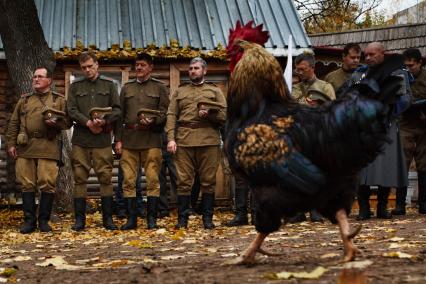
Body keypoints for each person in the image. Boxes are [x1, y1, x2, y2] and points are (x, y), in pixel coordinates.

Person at [6, 66, 68, 233]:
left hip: (48, 146)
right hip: (26, 147)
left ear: (49, 81)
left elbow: (68, 122)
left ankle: (44, 221)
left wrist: (55, 124)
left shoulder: (59, 100)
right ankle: (29, 222)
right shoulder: (24, 100)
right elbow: (13, 123)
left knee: (47, 184)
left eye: (40, 77)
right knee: (27, 185)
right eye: (34, 77)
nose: (36, 79)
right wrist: (11, 144)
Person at [166, 57, 226, 229]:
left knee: (208, 181)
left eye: (196, 68)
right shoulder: (180, 91)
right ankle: (182, 220)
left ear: (204, 71)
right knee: (183, 181)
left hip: (208, 140)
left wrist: (210, 114)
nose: (192, 71)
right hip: (184, 140)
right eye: (191, 68)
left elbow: (224, 116)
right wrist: (171, 138)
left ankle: (207, 219)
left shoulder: (214, 91)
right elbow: (171, 115)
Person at [353, 42, 411, 220]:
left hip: (386, 125)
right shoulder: (359, 74)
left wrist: (388, 109)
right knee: (362, 169)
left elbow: (406, 99)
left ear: (383, 54)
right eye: (366, 55)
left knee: (386, 167)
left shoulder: (398, 74)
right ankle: (363, 208)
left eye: (372, 54)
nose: (368, 58)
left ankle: (382, 207)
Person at [114, 52, 170, 230]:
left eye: (142, 65)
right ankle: (132, 220)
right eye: (137, 65)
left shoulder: (160, 87)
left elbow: (164, 114)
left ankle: (151, 219)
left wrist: (154, 122)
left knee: (153, 180)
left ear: (150, 68)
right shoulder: (127, 88)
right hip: (129, 140)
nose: (138, 68)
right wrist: (118, 140)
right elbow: (119, 116)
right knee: (128, 181)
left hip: (151, 139)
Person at [68, 51, 121, 231]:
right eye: (84, 68)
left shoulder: (110, 85)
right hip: (81, 139)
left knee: (105, 179)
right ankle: (79, 220)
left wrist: (104, 121)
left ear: (97, 65)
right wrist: (88, 122)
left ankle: (108, 219)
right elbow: (71, 110)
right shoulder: (75, 87)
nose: (87, 70)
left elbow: (117, 110)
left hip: (102, 140)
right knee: (79, 179)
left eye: (90, 66)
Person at [291, 52, 336, 222]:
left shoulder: (325, 87)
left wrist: (319, 107)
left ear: (312, 67)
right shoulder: (293, 89)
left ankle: (316, 210)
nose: (299, 73)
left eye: (302, 69)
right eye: (297, 70)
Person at [396, 48, 426, 215]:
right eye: (405, 65)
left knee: (423, 164)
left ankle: (423, 203)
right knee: (403, 163)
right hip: (405, 124)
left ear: (420, 63)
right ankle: (400, 205)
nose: (408, 69)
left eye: (411, 65)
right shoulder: (400, 76)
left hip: (423, 125)